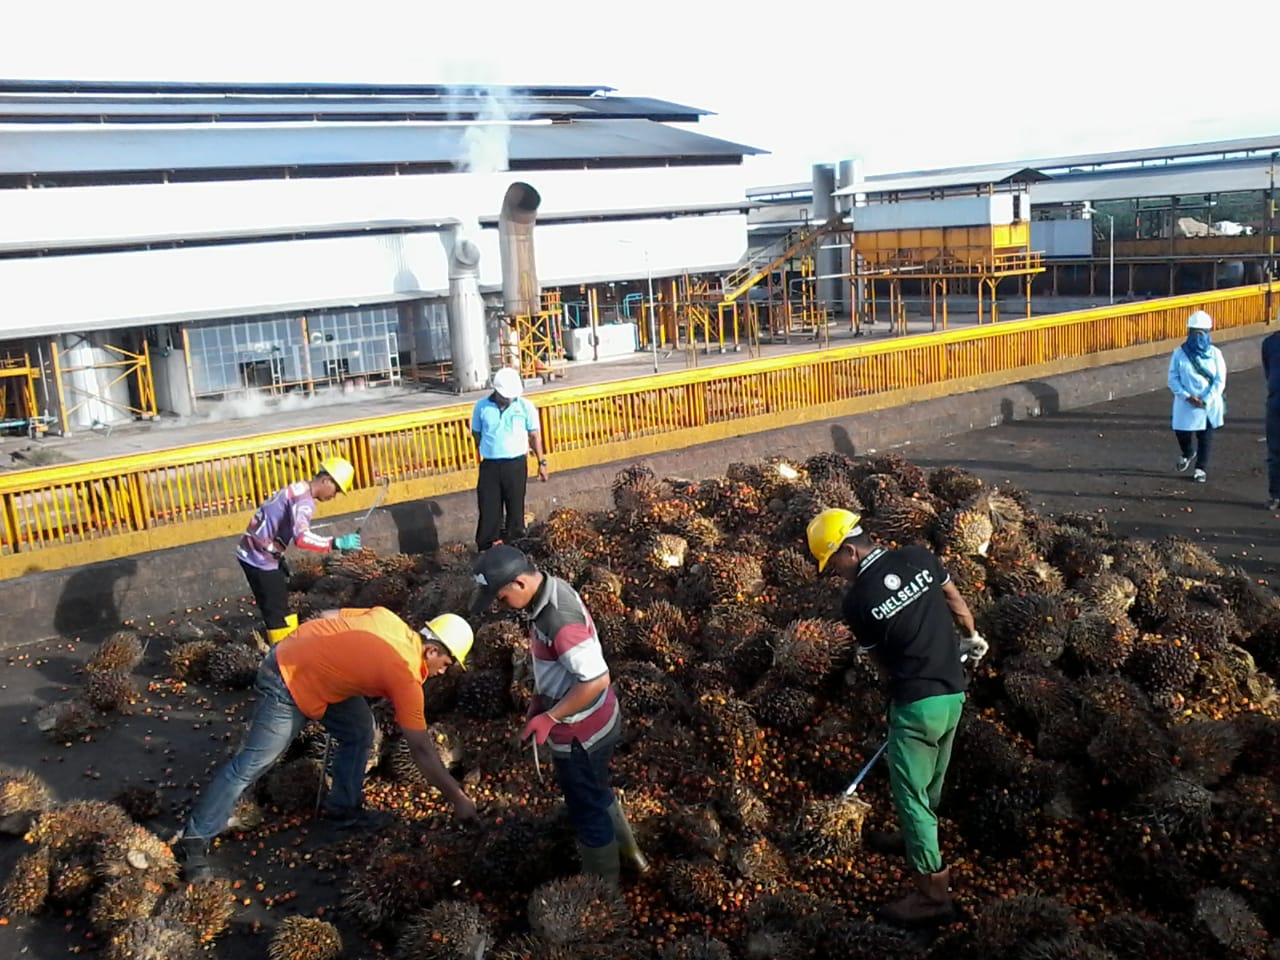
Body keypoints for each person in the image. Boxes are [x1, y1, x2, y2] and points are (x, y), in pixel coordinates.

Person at [177, 608, 478, 881]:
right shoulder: (404, 674)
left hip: (315, 669)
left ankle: (344, 811)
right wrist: (457, 797)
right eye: (447, 664)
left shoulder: (389, 619)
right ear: (432, 650)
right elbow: (422, 749)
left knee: (360, 732)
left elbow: (327, 615)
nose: (443, 672)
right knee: (253, 764)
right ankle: (194, 840)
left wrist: (329, 657)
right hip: (287, 675)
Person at [807, 508, 986, 927]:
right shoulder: (917, 557)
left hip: (916, 705)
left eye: (834, 562)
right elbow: (956, 602)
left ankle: (932, 894)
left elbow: (881, 664)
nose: (836, 572)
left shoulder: (858, 602)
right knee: (932, 780)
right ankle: (918, 839)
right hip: (953, 692)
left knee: (910, 798)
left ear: (849, 550)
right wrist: (971, 638)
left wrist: (899, 692)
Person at [470, 544, 647, 889]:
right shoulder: (547, 593)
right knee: (597, 791)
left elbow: (596, 679)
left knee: (586, 809)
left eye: (502, 597)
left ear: (520, 583)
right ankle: (634, 859)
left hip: (583, 733)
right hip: (590, 722)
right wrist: (538, 703)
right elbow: (559, 669)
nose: (500, 605)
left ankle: (601, 893)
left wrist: (550, 718)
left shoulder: (558, 620)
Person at [236, 456, 362, 644]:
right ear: (326, 480)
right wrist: (336, 543)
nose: (333, 496)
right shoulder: (304, 502)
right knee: (276, 614)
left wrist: (279, 558)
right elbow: (302, 538)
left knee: (280, 603)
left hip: (254, 552)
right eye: (336, 490)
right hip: (260, 559)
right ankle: (282, 656)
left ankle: (290, 643)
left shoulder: (296, 489)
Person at [471, 368, 548, 551]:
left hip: (516, 464)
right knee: (489, 507)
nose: (510, 399)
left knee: (515, 507)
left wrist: (542, 462)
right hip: (490, 464)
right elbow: (476, 433)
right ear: (497, 392)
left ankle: (516, 544)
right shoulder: (482, 407)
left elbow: (534, 436)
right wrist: (489, 448)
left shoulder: (525, 406)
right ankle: (486, 546)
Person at [1167, 310, 1227, 484]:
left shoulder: (1215, 354)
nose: (1198, 337)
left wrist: (1207, 399)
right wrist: (1186, 396)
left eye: (1202, 333)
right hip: (1186, 401)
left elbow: (1220, 380)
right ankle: (1187, 452)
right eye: (1195, 333)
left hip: (1207, 403)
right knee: (1181, 431)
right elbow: (1173, 378)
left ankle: (1201, 468)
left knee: (1205, 436)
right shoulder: (1179, 353)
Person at [1262, 326, 1280, 510]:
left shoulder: (1270, 343)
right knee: (1275, 452)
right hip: (1276, 404)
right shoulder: (1269, 343)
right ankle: (1275, 494)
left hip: (1275, 400)